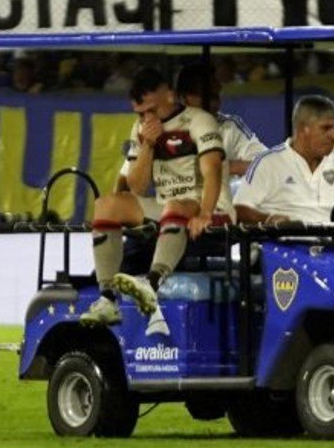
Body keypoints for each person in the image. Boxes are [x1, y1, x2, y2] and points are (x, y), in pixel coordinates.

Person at [81, 67, 229, 338]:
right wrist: (148, 145)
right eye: (140, 113)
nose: (145, 118)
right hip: (168, 207)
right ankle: (107, 299)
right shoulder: (141, 129)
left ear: (170, 96)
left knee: (175, 206)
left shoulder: (199, 120)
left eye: (151, 110)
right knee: (106, 205)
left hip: (208, 204)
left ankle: (151, 284)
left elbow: (212, 172)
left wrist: (205, 213)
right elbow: (136, 187)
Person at [234, 95, 334, 225]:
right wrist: (269, 220)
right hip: (288, 244)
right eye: (326, 128)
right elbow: (240, 210)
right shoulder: (268, 162)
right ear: (303, 129)